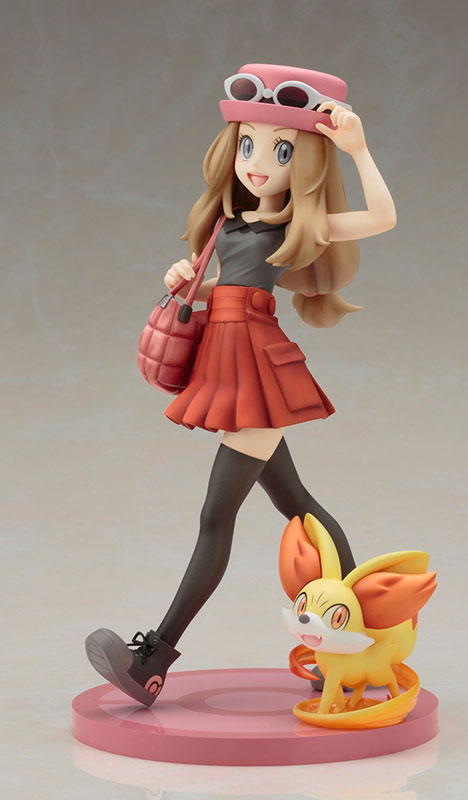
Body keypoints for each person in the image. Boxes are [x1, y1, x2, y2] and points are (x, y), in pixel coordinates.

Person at [85, 63, 397, 706]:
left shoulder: (299, 225)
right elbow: (216, 288)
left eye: (281, 151)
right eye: (247, 144)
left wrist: (358, 149)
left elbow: (382, 217)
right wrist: (185, 280)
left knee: (216, 516)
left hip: (256, 368)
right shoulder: (227, 225)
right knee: (299, 505)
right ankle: (350, 639)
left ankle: (153, 660)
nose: (257, 163)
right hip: (227, 366)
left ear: (305, 162)